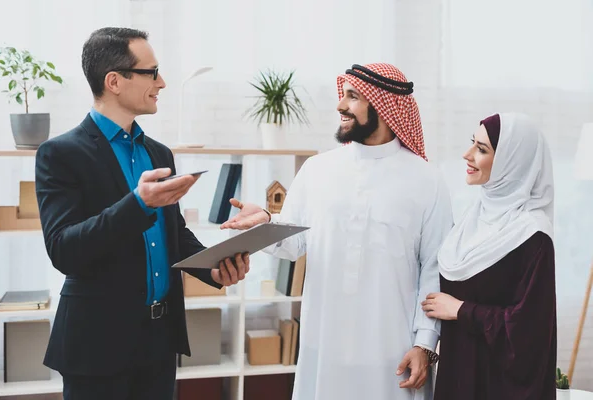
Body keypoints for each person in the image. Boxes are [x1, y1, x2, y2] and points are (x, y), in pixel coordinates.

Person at [34, 27, 249, 400]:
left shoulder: (160, 153)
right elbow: (64, 249)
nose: (161, 82)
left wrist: (212, 269)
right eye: (151, 72)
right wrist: (138, 205)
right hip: (97, 348)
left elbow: (174, 234)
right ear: (114, 81)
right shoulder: (59, 154)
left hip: (159, 344)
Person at [220, 63, 453, 400]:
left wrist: (425, 345)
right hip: (323, 346)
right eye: (343, 95)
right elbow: (295, 243)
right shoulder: (317, 171)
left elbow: (434, 271)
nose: (341, 105)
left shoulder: (427, 180)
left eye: (353, 97)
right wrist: (266, 224)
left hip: (392, 351)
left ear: (386, 106)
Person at [421, 113, 557, 399]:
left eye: (482, 149)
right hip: (457, 377)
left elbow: (529, 331)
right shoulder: (471, 221)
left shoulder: (533, 237)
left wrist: (460, 310)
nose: (467, 155)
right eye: (473, 143)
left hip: (497, 387)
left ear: (512, 162)